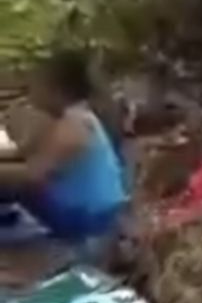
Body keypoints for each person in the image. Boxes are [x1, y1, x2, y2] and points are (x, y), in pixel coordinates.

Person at [0, 50, 129, 265]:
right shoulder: (69, 117)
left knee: (14, 184)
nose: (29, 90)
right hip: (91, 213)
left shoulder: (74, 125)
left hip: (89, 219)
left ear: (55, 90)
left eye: (35, 84)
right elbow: (20, 152)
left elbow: (33, 174)